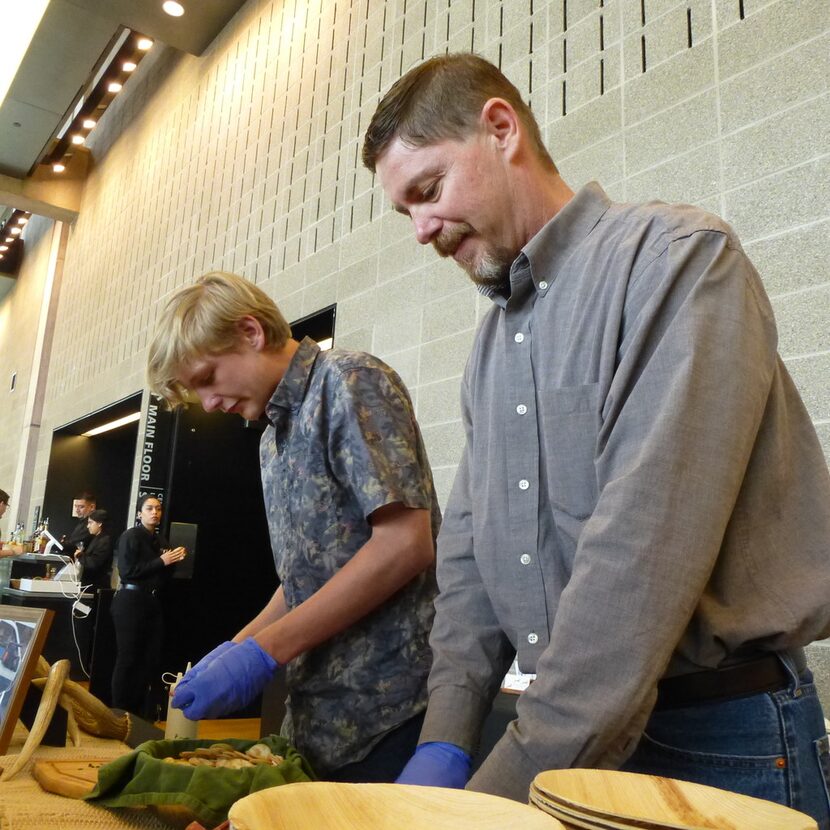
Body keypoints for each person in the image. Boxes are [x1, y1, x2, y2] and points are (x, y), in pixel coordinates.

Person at [362, 52, 830, 825]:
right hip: (565, 735)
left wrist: (493, 798)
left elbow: (639, 562)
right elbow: (473, 559)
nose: (420, 231)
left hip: (718, 740)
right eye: (404, 210)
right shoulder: (490, 347)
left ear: (501, 129)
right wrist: (446, 731)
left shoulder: (678, 260)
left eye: (428, 190)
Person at [146, 271, 440, 781]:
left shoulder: (348, 380)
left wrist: (266, 651)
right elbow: (306, 579)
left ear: (250, 333)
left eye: (207, 379)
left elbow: (406, 544)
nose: (210, 404)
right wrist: (237, 648)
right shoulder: (270, 442)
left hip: (393, 715)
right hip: (314, 718)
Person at [110, 495, 186, 716]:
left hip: (152, 602)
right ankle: (119, 712)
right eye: (149, 508)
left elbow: (164, 575)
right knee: (128, 657)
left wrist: (174, 560)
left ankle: (141, 711)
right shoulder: (130, 537)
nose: (155, 512)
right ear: (139, 513)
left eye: (158, 509)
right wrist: (162, 561)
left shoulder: (161, 541)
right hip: (130, 602)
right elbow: (127, 572)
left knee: (148, 658)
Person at [75, 508, 114, 590]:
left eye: (90, 523)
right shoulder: (97, 538)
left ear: (99, 523)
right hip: (91, 584)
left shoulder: (105, 541)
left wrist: (80, 555)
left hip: (96, 586)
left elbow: (94, 563)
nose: (88, 526)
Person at [61, 491, 96, 558]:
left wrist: (64, 544)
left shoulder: (90, 525)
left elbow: (74, 542)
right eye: (76, 506)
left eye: (81, 507)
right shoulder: (82, 522)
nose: (77, 510)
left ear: (92, 507)